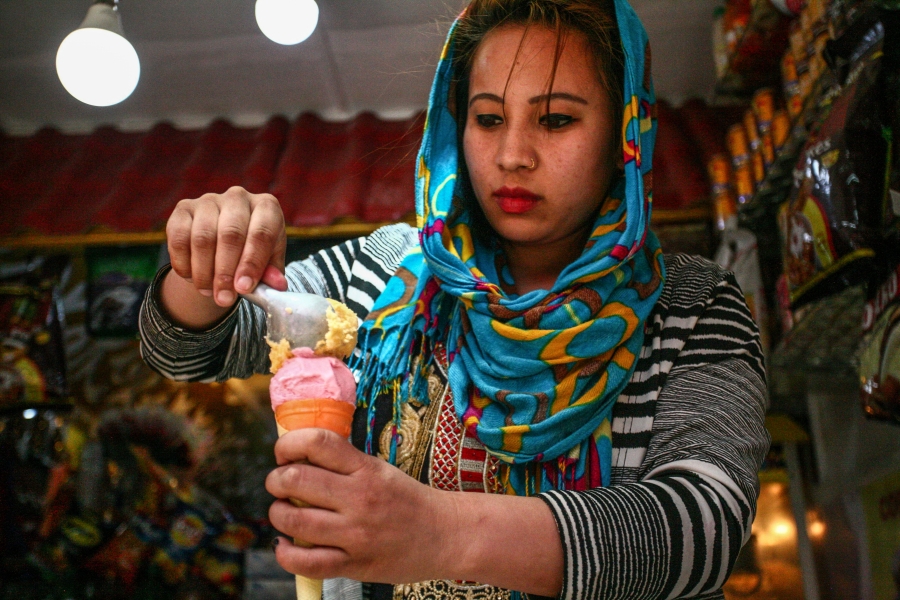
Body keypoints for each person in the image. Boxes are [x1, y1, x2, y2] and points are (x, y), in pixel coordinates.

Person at [139, 0, 770, 598]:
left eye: (556, 119)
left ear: (624, 135)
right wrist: (207, 261)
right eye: (488, 119)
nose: (512, 156)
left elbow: (703, 526)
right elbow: (190, 348)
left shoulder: (691, 306)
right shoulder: (382, 274)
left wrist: (439, 532)